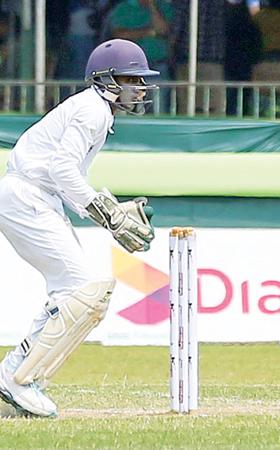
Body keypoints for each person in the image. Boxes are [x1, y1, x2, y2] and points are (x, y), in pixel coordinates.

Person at [0, 39, 157, 418]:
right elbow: (61, 170)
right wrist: (108, 214)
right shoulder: (92, 111)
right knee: (81, 290)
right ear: (106, 79)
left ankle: (18, 377)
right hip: (27, 196)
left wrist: (108, 209)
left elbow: (63, 175)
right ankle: (17, 381)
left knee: (83, 293)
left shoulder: (95, 109)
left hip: (36, 197)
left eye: (141, 80)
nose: (139, 88)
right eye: (131, 78)